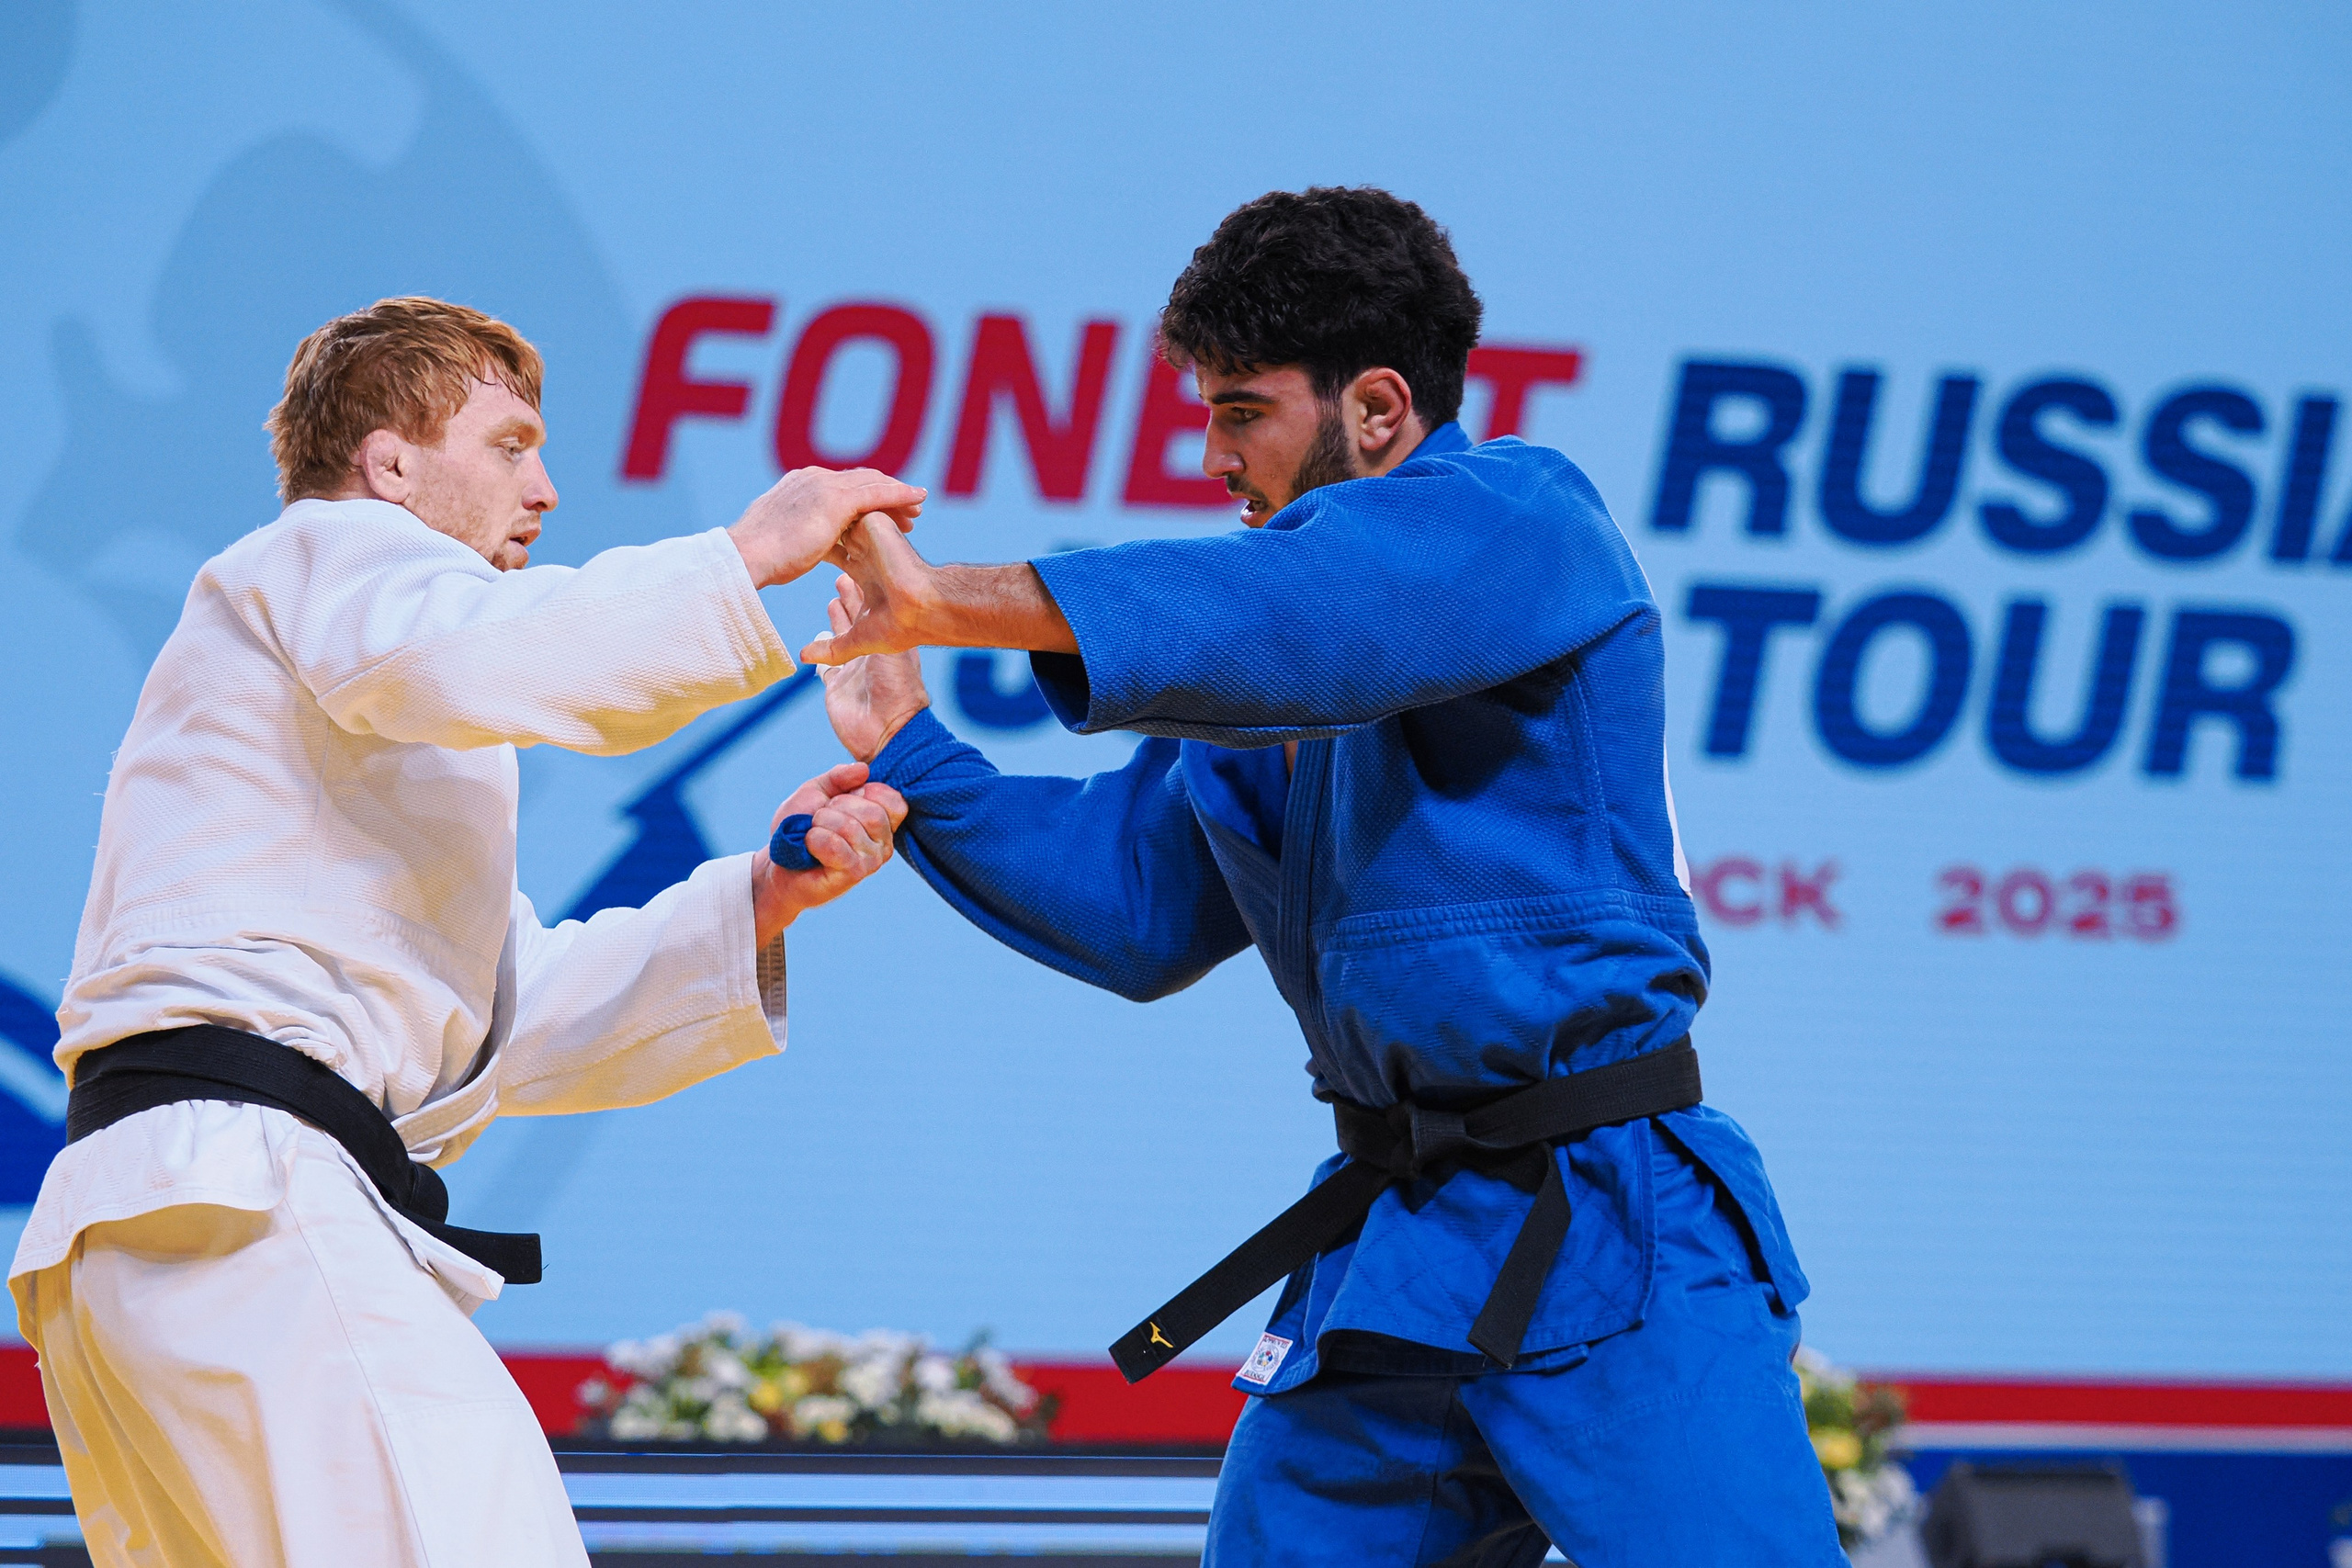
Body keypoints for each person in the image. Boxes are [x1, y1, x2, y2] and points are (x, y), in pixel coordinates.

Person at [806, 189, 1846, 1564]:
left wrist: (939, 593)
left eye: (1242, 412)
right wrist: (911, 753)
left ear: (1373, 407)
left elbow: (1305, 615)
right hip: (1400, 1247)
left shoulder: (1524, 518)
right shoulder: (1273, 690)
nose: (1214, 455)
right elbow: (1131, 904)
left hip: (1615, 1222)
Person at [8, 296, 919, 1568]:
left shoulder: (341, 686)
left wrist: (762, 901)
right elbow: (484, 651)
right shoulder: (326, 557)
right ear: (388, 464)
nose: (543, 490)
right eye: (507, 445)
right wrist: (748, 554)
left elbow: (500, 1019)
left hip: (166, 1225)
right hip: (244, 1203)